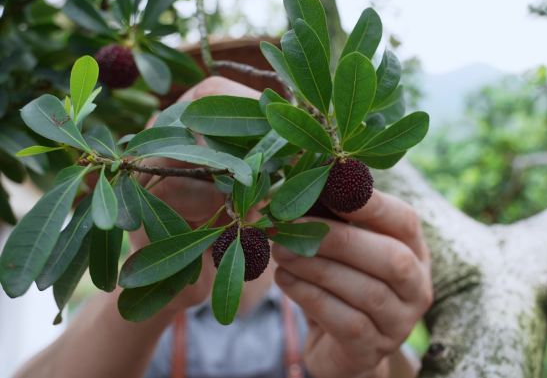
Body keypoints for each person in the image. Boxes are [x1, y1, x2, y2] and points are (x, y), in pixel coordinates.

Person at [13, 77, 433, 378]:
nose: (221, 140)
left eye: (245, 128)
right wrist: (157, 280)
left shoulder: (326, 291)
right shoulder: (133, 311)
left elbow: (404, 369)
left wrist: (370, 359)